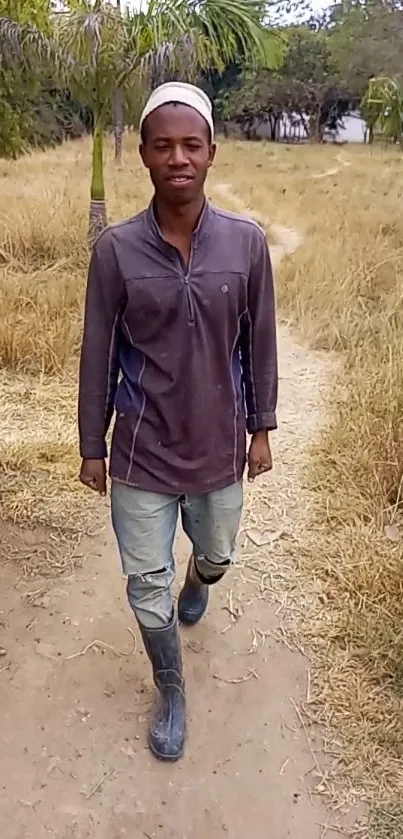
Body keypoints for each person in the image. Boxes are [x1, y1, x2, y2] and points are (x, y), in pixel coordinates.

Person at [78, 82, 278, 762]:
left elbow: (258, 343)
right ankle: (171, 688)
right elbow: (98, 352)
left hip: (218, 443)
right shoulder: (116, 252)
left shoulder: (246, 246)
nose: (177, 157)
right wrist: (90, 444)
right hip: (140, 449)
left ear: (212, 152)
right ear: (142, 155)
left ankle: (200, 579)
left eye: (190, 144)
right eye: (162, 145)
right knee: (145, 582)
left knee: (218, 553)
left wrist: (261, 425)